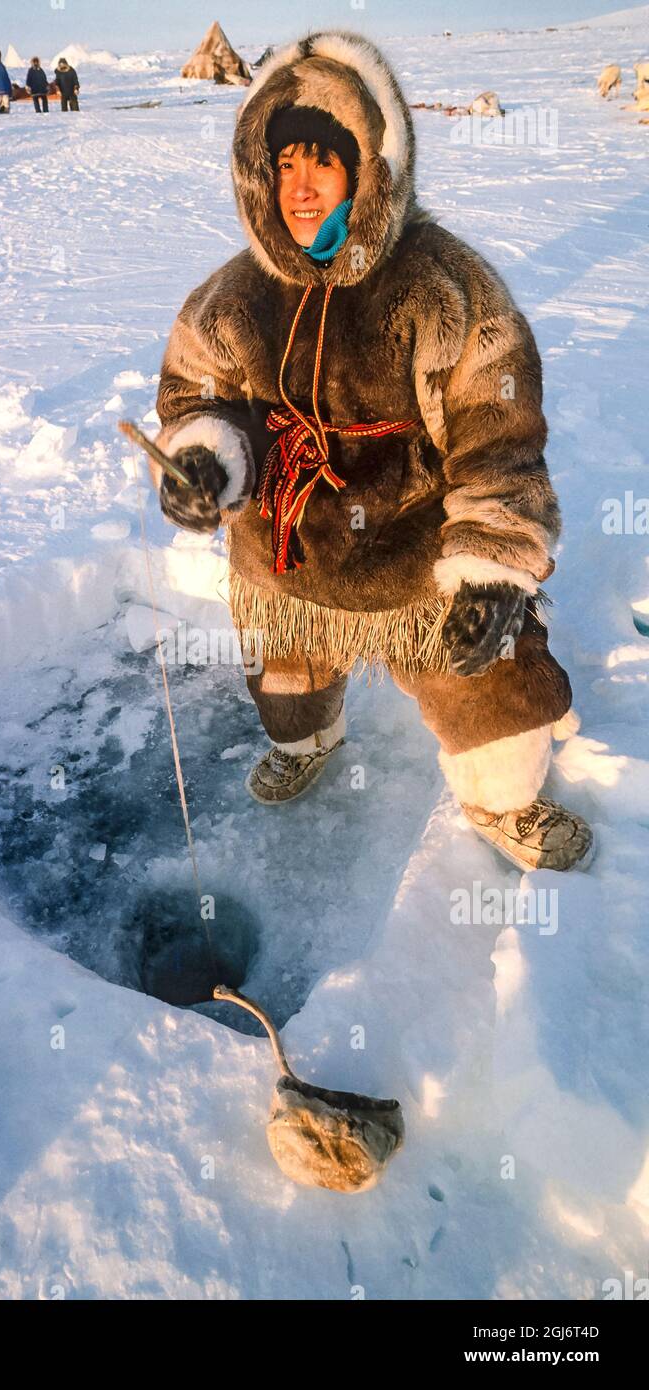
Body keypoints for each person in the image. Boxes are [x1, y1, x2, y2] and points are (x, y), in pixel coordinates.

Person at [153, 30, 592, 873]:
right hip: (285, 553)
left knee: (485, 675)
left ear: (370, 167)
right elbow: (194, 395)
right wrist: (201, 459)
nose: (302, 185)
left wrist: (493, 569)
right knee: (285, 671)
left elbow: (499, 441)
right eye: (283, 165)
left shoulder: (448, 286)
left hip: (412, 552)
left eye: (324, 160)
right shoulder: (234, 293)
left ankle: (504, 799)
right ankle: (308, 737)